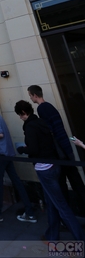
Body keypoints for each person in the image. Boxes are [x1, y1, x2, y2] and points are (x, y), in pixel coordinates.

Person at [14, 100, 85, 242]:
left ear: (23, 113)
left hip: (44, 168)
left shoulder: (30, 127)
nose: (20, 118)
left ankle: (80, 238)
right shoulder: (42, 122)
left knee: (61, 205)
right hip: (54, 164)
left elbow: (33, 148)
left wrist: (22, 149)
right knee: (50, 201)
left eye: (20, 115)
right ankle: (51, 235)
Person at [28, 85, 85, 214]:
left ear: (34, 95)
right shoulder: (50, 106)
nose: (30, 98)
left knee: (62, 184)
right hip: (66, 147)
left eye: (30, 95)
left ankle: (68, 214)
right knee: (76, 181)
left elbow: (51, 132)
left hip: (60, 152)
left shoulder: (42, 109)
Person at [0, 97, 36, 224]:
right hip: (8, 152)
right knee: (16, 180)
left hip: (1, 153)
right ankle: (29, 211)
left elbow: (0, 134)